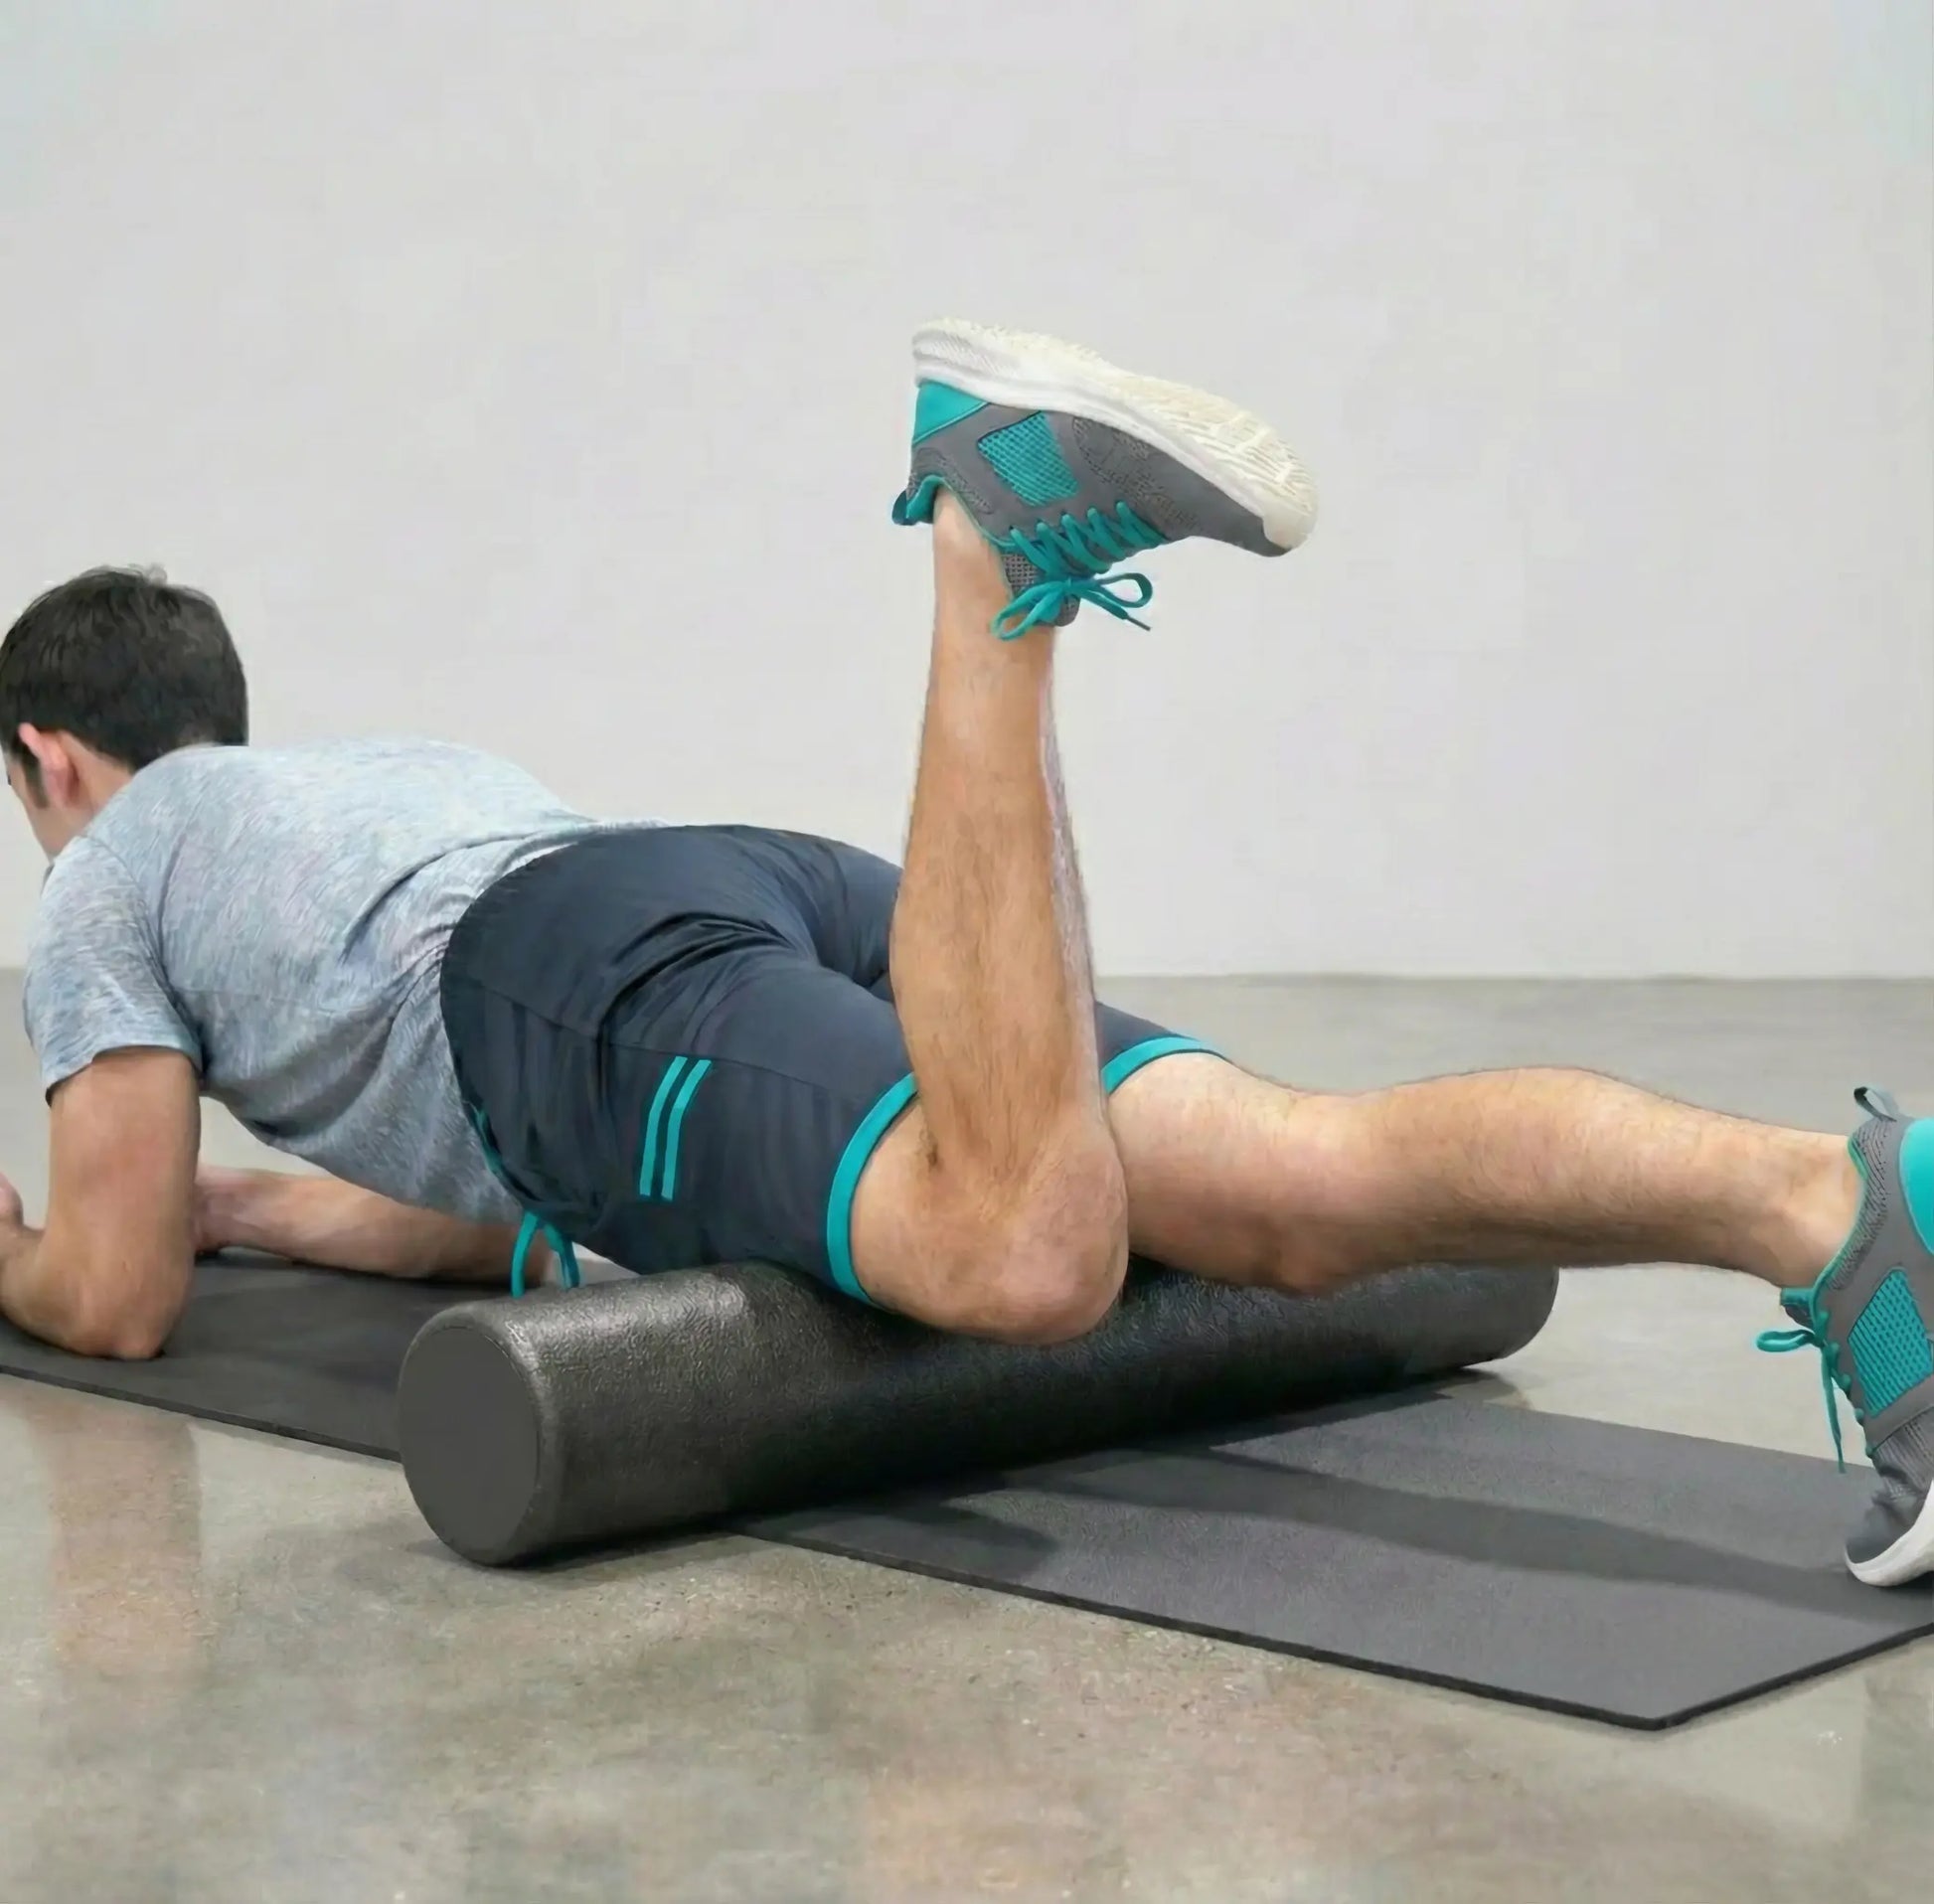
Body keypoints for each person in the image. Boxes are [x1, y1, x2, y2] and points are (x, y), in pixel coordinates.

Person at [1, 320, 1929, 1588]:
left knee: (1021, 1246)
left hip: (563, 981)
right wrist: (259, 1211)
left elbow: (108, 1299)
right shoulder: (365, 784)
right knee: (1298, 1188)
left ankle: (991, 559)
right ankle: (1834, 1208)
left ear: (47, 758)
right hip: (698, 894)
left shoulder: (108, 868)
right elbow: (494, 1174)